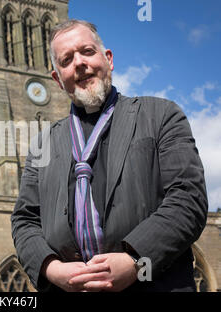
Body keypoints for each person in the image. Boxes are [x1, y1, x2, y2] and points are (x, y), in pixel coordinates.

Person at [11, 19, 208, 292]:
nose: (79, 63)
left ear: (109, 59)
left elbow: (188, 199)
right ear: (57, 80)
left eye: (87, 51)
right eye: (66, 60)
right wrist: (51, 269)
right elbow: (25, 220)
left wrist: (136, 261)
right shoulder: (42, 144)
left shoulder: (161, 115)